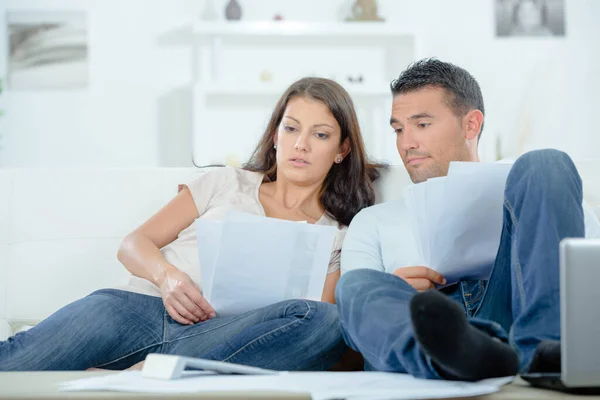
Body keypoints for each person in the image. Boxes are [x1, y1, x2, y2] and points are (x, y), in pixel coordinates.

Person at [0, 77, 381, 371]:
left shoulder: (338, 236)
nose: (301, 145)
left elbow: (312, 319)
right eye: (291, 128)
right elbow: (134, 243)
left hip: (220, 338)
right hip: (137, 311)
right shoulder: (224, 183)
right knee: (16, 358)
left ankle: (168, 369)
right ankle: (167, 370)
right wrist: (168, 278)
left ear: (341, 150)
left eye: (321, 135)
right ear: (276, 135)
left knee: (327, 321)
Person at [335, 58, 600, 381]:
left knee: (547, 162)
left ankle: (547, 352)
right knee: (355, 285)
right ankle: (448, 357)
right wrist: (397, 290)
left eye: (422, 125)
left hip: (514, 316)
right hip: (425, 327)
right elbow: (353, 322)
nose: (406, 144)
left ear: (471, 125)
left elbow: (589, 283)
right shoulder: (373, 220)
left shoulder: (537, 190)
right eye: (398, 129)